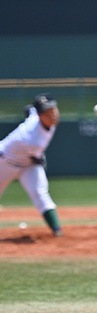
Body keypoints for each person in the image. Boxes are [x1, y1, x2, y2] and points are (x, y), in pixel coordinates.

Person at [0, 93, 63, 237]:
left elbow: (29, 109)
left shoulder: (37, 116)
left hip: (27, 163)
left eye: (53, 109)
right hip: (4, 161)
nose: (52, 114)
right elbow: (37, 159)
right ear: (41, 116)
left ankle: (57, 231)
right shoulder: (33, 139)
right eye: (47, 112)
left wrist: (31, 111)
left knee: (40, 193)